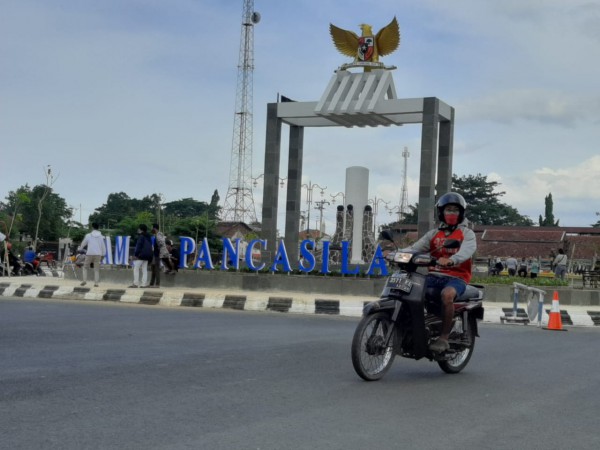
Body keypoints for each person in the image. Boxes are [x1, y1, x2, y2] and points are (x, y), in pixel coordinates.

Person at [405, 192, 477, 353]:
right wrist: (396, 254)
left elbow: (467, 251)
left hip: (456, 277)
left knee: (447, 295)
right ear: (441, 212)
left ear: (461, 213)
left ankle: (444, 338)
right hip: (433, 276)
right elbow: (414, 248)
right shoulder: (433, 234)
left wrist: (452, 259)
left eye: (455, 210)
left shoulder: (467, 234)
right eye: (448, 209)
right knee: (409, 289)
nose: (451, 213)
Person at [78, 222, 106, 287]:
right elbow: (103, 246)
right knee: (96, 269)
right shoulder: (101, 237)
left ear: (92, 227)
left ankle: (84, 281)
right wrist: (103, 254)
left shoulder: (88, 235)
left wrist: (80, 249)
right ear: (98, 228)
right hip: (98, 254)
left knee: (85, 267)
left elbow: (83, 243)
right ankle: (96, 283)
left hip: (89, 253)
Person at [149, 223, 172, 288]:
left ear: (154, 228)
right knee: (153, 268)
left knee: (156, 269)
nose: (151, 229)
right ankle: (151, 284)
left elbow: (161, 243)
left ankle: (157, 284)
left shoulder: (158, 235)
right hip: (155, 254)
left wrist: (159, 249)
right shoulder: (157, 235)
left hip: (157, 254)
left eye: (152, 228)